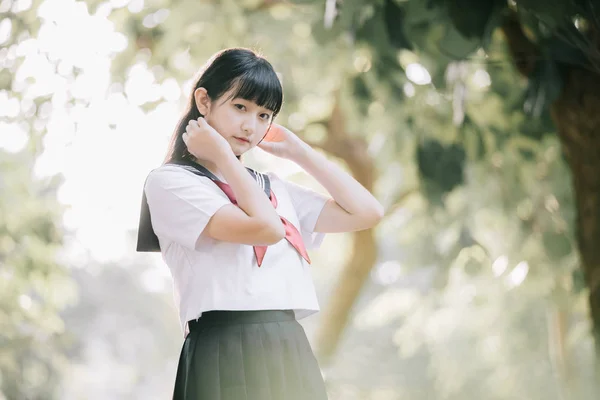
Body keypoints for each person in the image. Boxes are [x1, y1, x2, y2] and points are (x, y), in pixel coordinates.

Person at [137, 48, 384, 400]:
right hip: (222, 350)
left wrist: (300, 152)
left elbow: (367, 212)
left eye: (264, 115)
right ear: (204, 101)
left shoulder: (271, 187)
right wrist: (222, 155)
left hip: (288, 348)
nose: (251, 125)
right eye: (240, 107)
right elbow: (268, 230)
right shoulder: (171, 183)